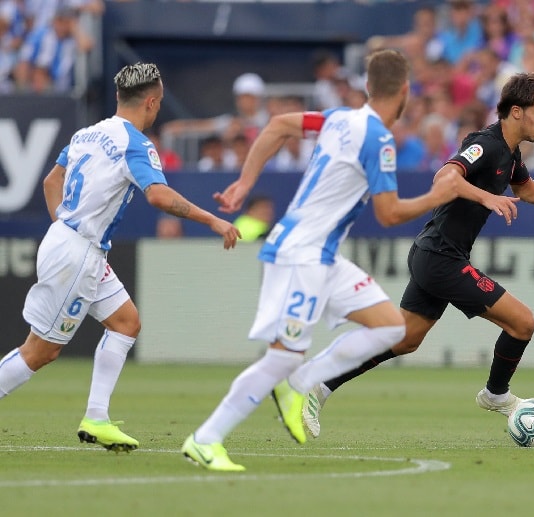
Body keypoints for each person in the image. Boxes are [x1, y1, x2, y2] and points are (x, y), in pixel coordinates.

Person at [180, 49, 460, 472]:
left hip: (322, 256)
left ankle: (301, 383)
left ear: (367, 87)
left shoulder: (339, 118)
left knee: (390, 326)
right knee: (282, 356)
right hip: (301, 254)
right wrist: (438, 196)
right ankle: (206, 438)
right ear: (404, 92)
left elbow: (277, 126)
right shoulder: (378, 139)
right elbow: (388, 214)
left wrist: (244, 182)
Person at [301, 72, 534, 440]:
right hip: (441, 258)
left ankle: (319, 384)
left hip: (434, 255)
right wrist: (488, 197)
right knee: (523, 323)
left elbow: (525, 188)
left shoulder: (510, 153)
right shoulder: (486, 144)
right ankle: (495, 395)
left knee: (404, 340)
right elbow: (444, 178)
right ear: (517, 111)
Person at [0, 62, 240, 453]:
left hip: (76, 244)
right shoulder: (137, 144)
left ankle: (96, 417)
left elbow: (51, 182)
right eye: (159, 105)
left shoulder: (86, 134)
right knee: (41, 351)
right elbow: (159, 196)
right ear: (151, 102)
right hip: (77, 251)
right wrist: (212, 220)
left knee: (126, 322)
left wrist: (65, 227)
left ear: (118, 97)